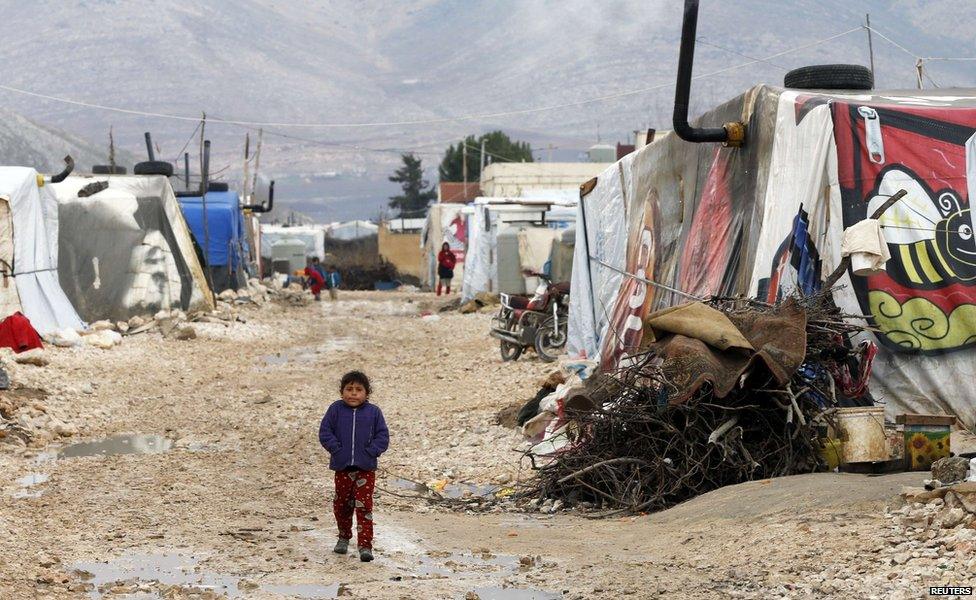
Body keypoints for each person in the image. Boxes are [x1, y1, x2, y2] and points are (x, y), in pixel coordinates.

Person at [318, 371, 389, 562]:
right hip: (342, 468)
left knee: (364, 507)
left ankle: (365, 545)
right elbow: (325, 432)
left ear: (367, 393)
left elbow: (382, 436)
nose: (353, 393)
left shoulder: (374, 412)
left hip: (365, 469)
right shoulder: (335, 410)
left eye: (358, 389)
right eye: (349, 389)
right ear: (342, 392)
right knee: (342, 506)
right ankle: (343, 537)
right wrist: (336, 449)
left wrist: (371, 451)